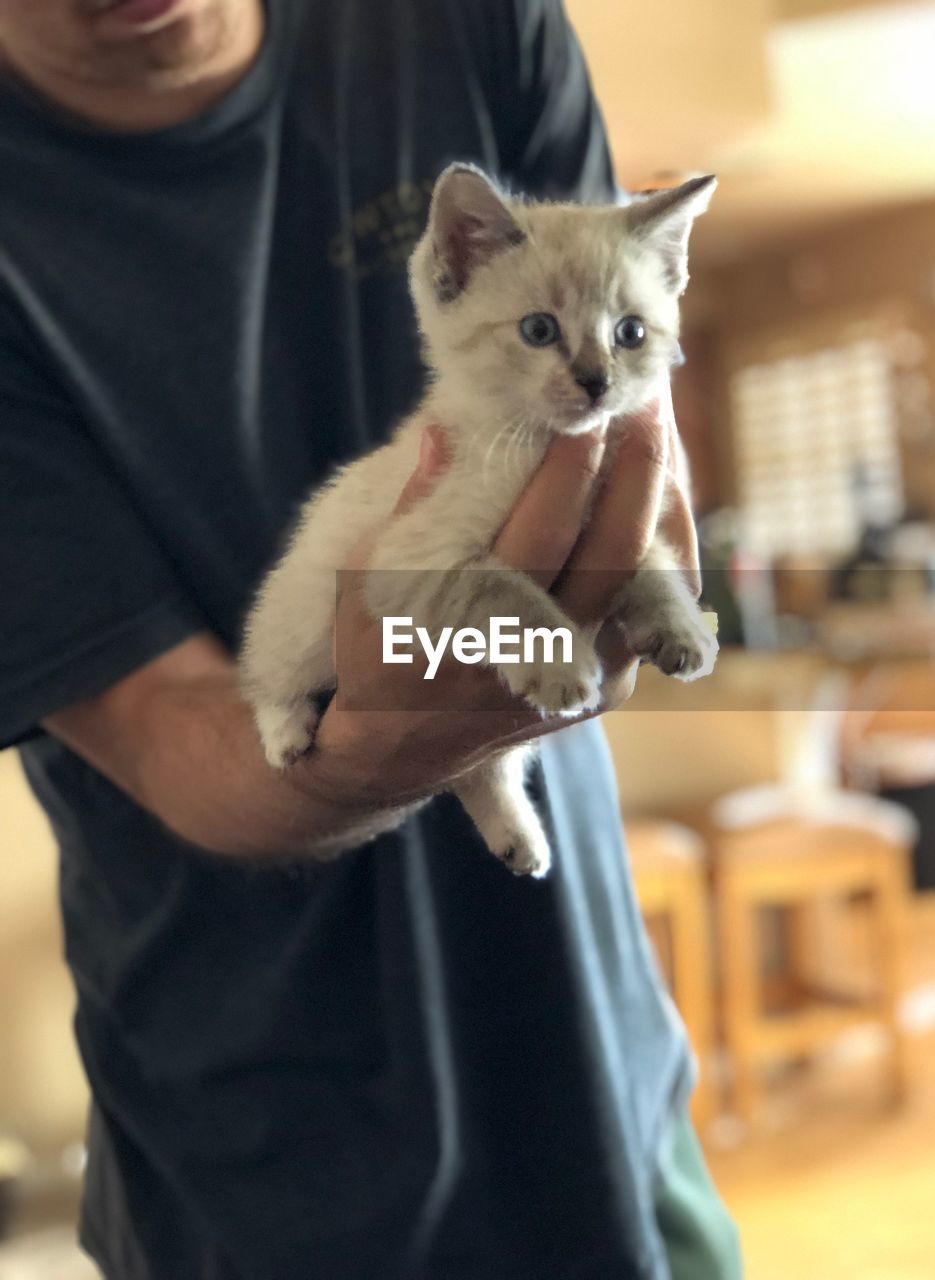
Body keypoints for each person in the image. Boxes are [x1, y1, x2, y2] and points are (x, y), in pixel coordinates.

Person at [0, 1, 741, 1276]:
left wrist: (644, 574)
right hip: (258, 1135)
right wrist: (351, 752)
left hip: (597, 1056)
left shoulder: (463, 24)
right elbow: (165, 722)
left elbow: (631, 414)